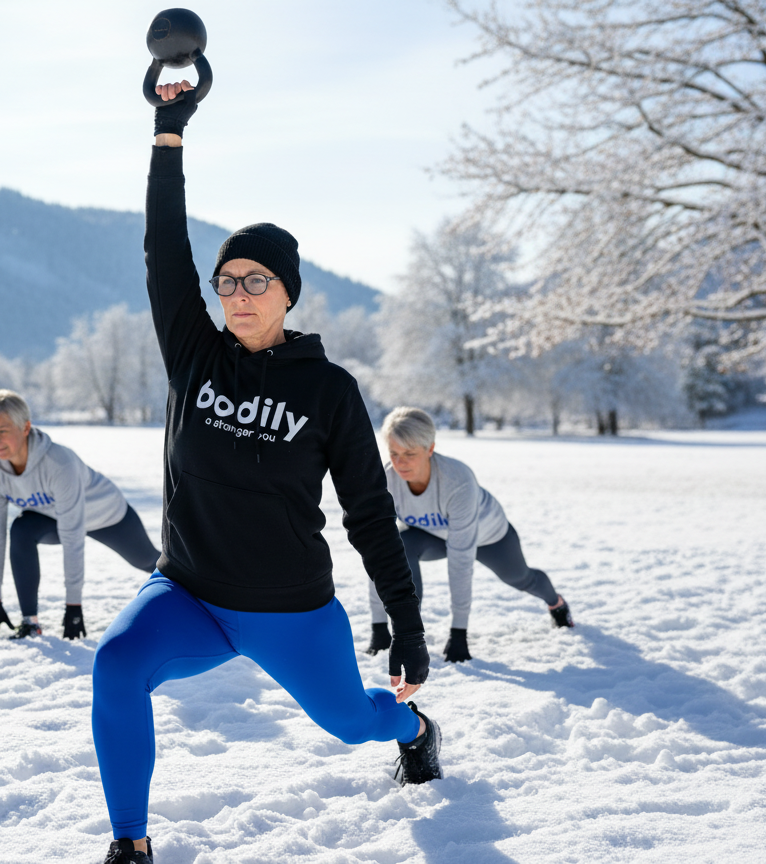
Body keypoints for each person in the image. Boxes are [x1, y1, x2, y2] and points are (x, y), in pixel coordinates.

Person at [91, 82, 442, 864]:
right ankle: (131, 846)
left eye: (258, 281)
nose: (239, 294)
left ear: (288, 293)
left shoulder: (329, 391)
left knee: (353, 721)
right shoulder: (194, 355)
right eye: (228, 280)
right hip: (187, 593)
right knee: (115, 665)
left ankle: (415, 729)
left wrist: (408, 623)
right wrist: (168, 130)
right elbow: (163, 247)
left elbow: (368, 515)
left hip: (290, 610)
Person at [367, 406, 574, 662]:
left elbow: (461, 562)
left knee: (521, 578)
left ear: (430, 449)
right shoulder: (386, 481)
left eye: (410, 454)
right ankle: (408, 631)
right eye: (394, 453)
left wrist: (459, 632)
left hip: (489, 537)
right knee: (397, 546)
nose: (400, 463)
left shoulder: (457, 480)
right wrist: (379, 627)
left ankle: (556, 602)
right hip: (433, 536)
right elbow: (378, 553)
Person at [0, 389, 160, 640]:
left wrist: (73, 606)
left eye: (2, 431)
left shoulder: (59, 462)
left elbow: (72, 535)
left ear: (25, 427)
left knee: (148, 561)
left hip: (106, 514)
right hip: (52, 517)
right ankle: (30, 622)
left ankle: (197, 592)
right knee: (21, 529)